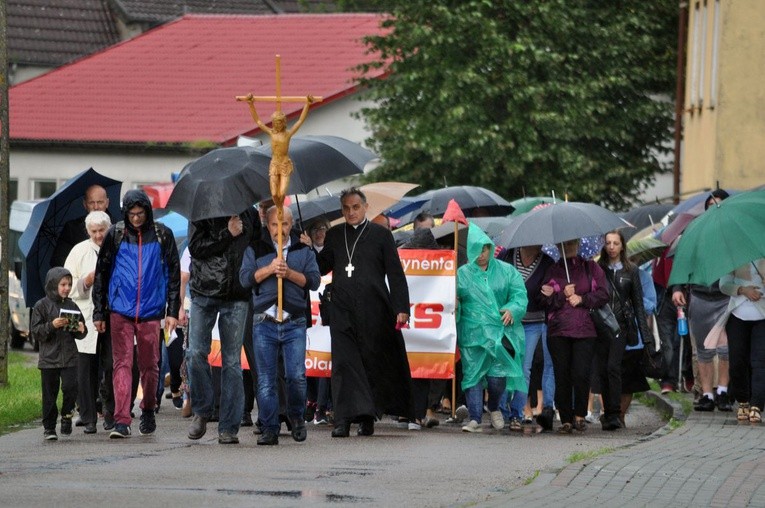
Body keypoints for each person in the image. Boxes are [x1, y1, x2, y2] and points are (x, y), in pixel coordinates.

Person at [314, 187, 415, 437]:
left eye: (355, 207)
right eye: (346, 208)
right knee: (344, 363)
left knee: (370, 363)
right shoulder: (335, 234)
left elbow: (395, 273)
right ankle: (343, 420)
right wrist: (309, 250)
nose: (351, 212)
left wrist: (401, 307)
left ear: (365, 207)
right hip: (341, 309)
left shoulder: (381, 235)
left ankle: (367, 417)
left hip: (374, 310)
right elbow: (321, 266)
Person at [92, 190, 180, 439]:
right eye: (131, 214)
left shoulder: (163, 234)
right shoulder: (116, 234)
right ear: (125, 214)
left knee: (150, 366)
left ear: (147, 212)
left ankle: (149, 408)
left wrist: (172, 311)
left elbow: (174, 275)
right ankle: (122, 419)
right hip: (120, 309)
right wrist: (100, 311)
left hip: (151, 311)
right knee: (122, 364)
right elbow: (102, 273)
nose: (136, 218)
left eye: (140, 213)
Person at [240, 206, 320, 445]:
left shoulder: (302, 250)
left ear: (291, 224)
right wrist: (269, 269)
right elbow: (245, 278)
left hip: (293, 320)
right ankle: (269, 427)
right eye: (275, 224)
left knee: (296, 376)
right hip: (264, 320)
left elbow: (313, 281)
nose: (280, 229)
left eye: (284, 224)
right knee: (266, 379)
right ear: (268, 225)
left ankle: (296, 416)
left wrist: (289, 273)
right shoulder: (256, 248)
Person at [457, 224, 527, 433]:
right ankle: (475, 418)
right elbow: (453, 301)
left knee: (497, 378)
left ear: (490, 248)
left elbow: (519, 295)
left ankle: (494, 406)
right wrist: (455, 301)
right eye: (476, 249)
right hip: (472, 333)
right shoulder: (462, 274)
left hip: (499, 333)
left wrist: (513, 310)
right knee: (472, 375)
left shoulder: (507, 271)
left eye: (485, 249)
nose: (481, 254)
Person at [672, 190, 732, 412]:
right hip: (699, 295)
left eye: (719, 204)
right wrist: (677, 287)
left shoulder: (731, 233)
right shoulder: (695, 230)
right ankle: (706, 394)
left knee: (725, 348)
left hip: (726, 297)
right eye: (711, 204)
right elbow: (682, 261)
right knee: (704, 350)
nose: (714, 207)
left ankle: (723, 392)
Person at [541, 238, 609, 434]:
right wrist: (562, 294)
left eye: (572, 243)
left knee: (581, 373)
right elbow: (543, 301)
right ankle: (566, 419)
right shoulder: (553, 270)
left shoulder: (591, 267)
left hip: (585, 330)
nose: (569, 247)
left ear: (578, 244)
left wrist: (582, 298)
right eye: (564, 244)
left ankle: (580, 415)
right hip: (558, 331)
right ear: (558, 247)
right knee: (562, 374)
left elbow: (604, 294)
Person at [596, 230, 653, 430]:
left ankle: (615, 413)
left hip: (621, 325)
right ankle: (609, 413)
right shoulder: (598, 269)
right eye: (608, 243)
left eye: (615, 243)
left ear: (622, 246)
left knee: (614, 367)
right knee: (603, 369)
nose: (611, 247)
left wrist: (645, 335)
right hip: (602, 325)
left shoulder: (631, 270)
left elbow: (638, 303)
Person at [64, 211, 111, 434]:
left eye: (102, 230)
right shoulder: (78, 251)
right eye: (94, 231)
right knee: (84, 369)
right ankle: (88, 416)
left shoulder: (116, 246)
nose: (99, 235)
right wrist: (86, 280)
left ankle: (111, 414)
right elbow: (66, 286)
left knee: (111, 365)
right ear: (87, 231)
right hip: (81, 314)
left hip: (110, 314)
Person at [500, 244, 556, 431]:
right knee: (505, 365)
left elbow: (547, 300)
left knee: (524, 368)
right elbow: (496, 282)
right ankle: (502, 411)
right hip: (507, 321)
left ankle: (517, 412)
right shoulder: (507, 255)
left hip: (533, 322)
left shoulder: (547, 262)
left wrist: (547, 294)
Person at [31, 267, 87, 440]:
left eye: (69, 284)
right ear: (53, 284)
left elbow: (81, 332)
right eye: (63, 284)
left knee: (71, 388)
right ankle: (49, 427)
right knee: (49, 394)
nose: (67, 288)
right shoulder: (41, 306)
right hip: (49, 359)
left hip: (70, 357)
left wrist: (80, 329)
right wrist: (51, 325)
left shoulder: (72, 305)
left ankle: (67, 416)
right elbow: (35, 332)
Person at [244, 95, 315, 209]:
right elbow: (258, 121)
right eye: (275, 123)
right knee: (274, 194)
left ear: (283, 123)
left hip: (285, 164)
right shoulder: (272, 133)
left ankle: (280, 208)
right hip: (274, 164)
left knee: (282, 193)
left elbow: (300, 121)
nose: (277, 125)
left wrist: (307, 104)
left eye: (279, 123)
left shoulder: (287, 134)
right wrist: (251, 104)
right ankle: (279, 208)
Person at [719, 259, 765, 423]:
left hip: (762, 316)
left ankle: (757, 405)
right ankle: (743, 401)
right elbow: (723, 285)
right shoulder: (734, 256)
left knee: (760, 361)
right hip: (737, 316)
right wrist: (742, 289)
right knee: (737, 361)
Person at [51, 185, 110, 268]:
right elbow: (58, 260)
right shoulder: (72, 228)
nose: (96, 207)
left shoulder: (118, 226)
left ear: (107, 203)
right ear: (85, 204)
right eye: (91, 203)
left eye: (100, 202)